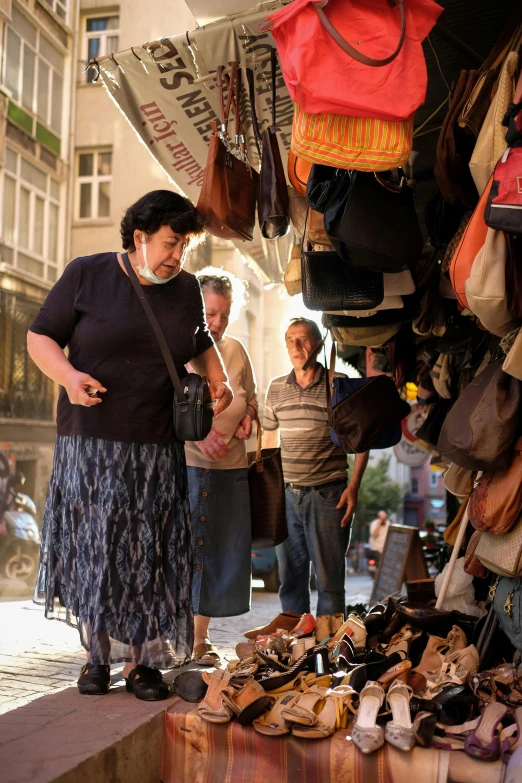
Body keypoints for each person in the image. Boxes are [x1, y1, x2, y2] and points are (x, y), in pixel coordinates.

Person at [27, 190, 233, 701]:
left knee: (149, 554)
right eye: (170, 243)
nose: (177, 255)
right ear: (138, 237)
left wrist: (218, 377)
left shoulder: (185, 289)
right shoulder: (86, 274)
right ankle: (96, 660)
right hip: (90, 446)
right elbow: (40, 337)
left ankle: (144, 664)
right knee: (97, 551)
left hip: (155, 447)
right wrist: (69, 376)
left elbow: (200, 341)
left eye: (184, 246)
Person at [262, 317, 369, 619]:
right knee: (291, 580)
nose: (296, 346)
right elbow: (268, 438)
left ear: (318, 343)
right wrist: (268, 491)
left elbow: (363, 439)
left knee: (329, 581)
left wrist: (354, 488)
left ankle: (328, 649)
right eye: (290, 340)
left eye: (303, 339)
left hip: (328, 496)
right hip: (287, 497)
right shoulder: (277, 388)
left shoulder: (338, 385)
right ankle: (295, 646)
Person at [185, 269, 257, 666]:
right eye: (211, 313)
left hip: (231, 471)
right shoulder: (183, 351)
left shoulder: (237, 351)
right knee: (188, 551)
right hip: (190, 467)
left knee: (217, 555)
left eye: (224, 315)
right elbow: (165, 409)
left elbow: (252, 398)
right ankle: (181, 640)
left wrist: (248, 419)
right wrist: (199, 437)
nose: (217, 323)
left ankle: (200, 640)